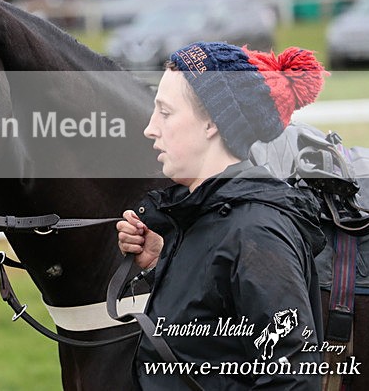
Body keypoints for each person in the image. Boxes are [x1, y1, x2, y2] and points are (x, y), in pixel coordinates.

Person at [116, 41, 328, 390]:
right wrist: (163, 262)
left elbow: (295, 380)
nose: (150, 128)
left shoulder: (255, 233)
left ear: (212, 123)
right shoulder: (201, 216)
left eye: (166, 113)